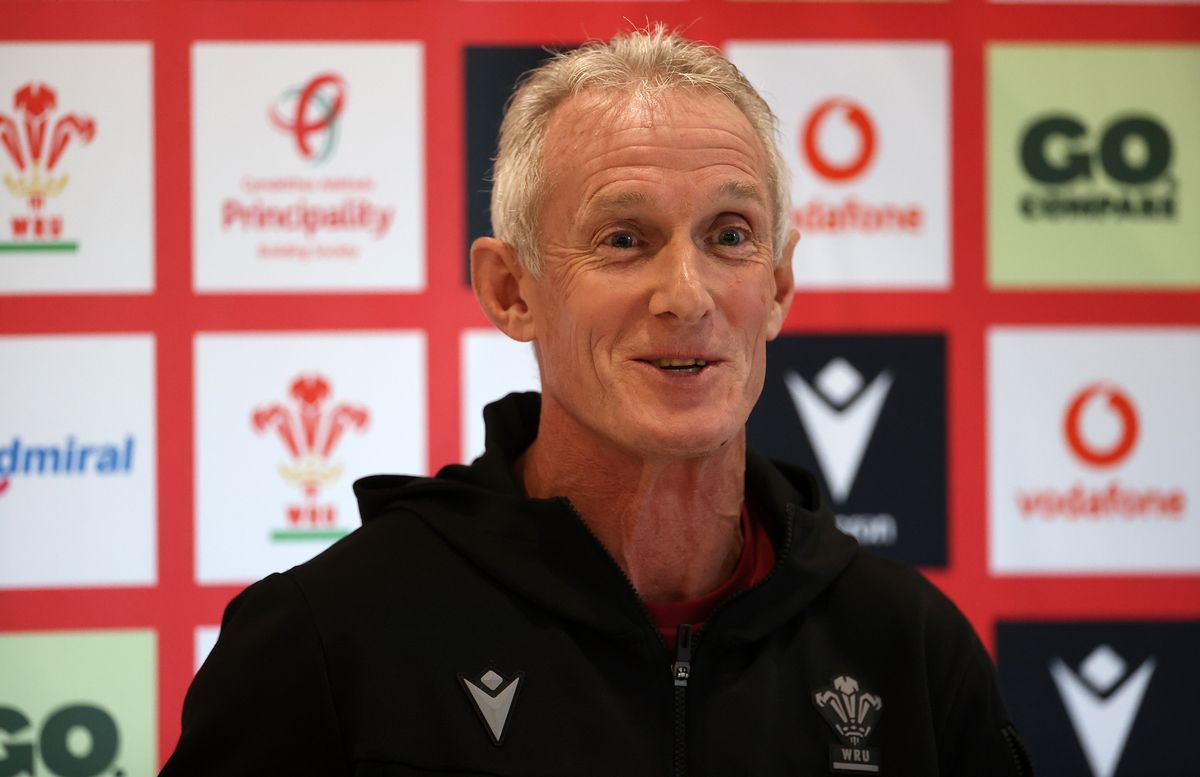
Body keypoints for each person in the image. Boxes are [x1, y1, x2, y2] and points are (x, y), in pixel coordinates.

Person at [161, 27, 1032, 776]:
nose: (686, 294)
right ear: (511, 291)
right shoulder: (327, 637)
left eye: (730, 236)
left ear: (777, 285)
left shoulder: (911, 648)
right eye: (625, 239)